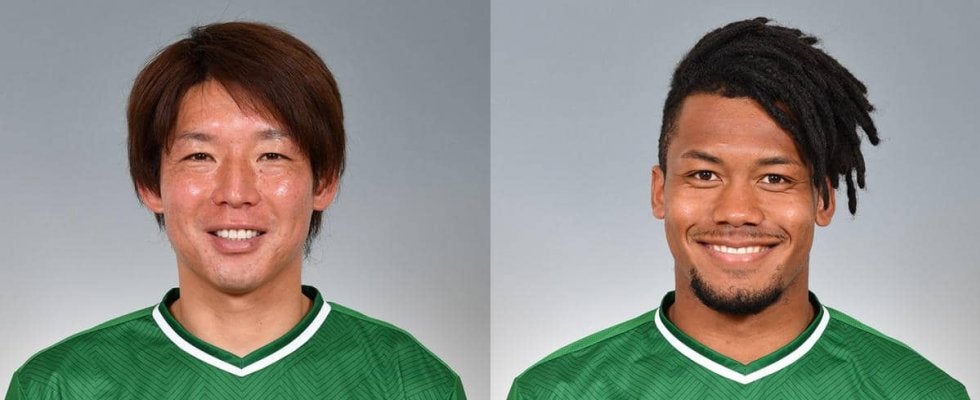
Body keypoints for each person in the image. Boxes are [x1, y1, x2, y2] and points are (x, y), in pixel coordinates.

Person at [507, 17, 968, 399]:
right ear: (660, 192)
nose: (736, 211)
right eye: (705, 175)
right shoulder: (554, 391)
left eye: (775, 178)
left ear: (823, 199)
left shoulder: (920, 392)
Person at [6, 22, 464, 400]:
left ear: (323, 182)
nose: (236, 192)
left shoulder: (410, 382)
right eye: (200, 156)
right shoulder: (59, 385)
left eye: (272, 156)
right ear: (150, 184)